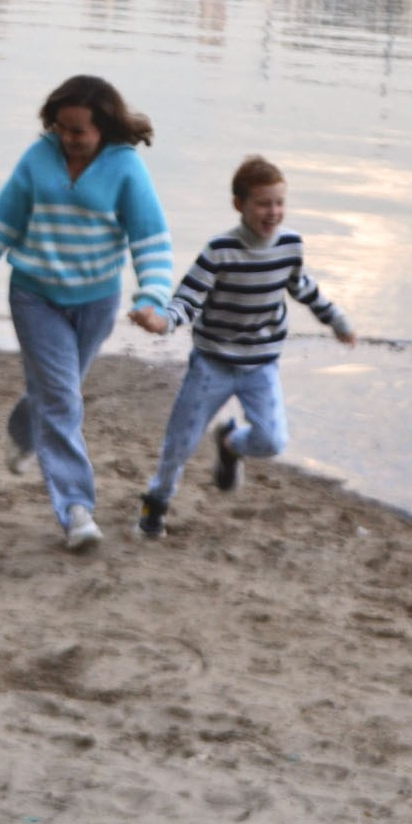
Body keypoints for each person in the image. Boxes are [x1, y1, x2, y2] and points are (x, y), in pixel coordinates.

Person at [0, 75, 172, 550]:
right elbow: (3, 218)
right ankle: (77, 509)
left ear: (104, 128)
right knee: (63, 399)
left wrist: (152, 297)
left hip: (97, 300)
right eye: (61, 129)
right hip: (35, 296)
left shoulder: (125, 169)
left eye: (78, 131)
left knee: (59, 391)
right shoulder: (38, 159)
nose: (68, 139)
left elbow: (150, 238)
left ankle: (23, 426)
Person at [130, 154, 355, 538]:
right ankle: (157, 501)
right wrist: (161, 321)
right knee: (180, 442)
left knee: (271, 440)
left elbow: (303, 287)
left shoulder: (290, 245)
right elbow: (188, 298)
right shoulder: (220, 250)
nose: (273, 212)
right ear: (240, 205)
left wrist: (335, 320)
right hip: (212, 363)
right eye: (263, 203)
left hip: (261, 364)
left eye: (279, 203)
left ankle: (232, 444)